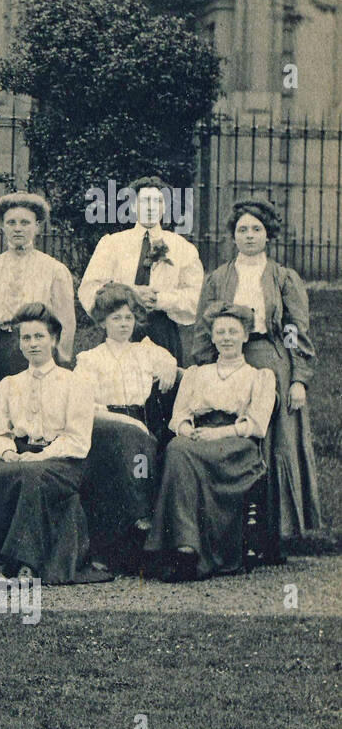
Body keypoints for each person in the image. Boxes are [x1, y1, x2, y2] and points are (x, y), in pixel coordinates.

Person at [192, 199, 323, 554]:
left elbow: (295, 330)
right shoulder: (218, 278)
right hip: (229, 358)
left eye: (256, 230)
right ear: (233, 236)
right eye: (242, 230)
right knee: (233, 435)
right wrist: (203, 368)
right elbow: (206, 329)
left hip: (271, 359)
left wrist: (298, 378)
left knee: (272, 442)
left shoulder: (283, 278)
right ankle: (229, 531)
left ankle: (271, 534)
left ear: (268, 235)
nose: (249, 236)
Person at [0, 303, 104, 584]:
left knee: (33, 476)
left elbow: (78, 439)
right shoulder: (8, 384)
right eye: (26, 338)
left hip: (64, 461)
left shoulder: (75, 383)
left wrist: (41, 456)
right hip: (20, 457)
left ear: (54, 340)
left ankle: (25, 563)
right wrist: (8, 452)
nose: (32, 344)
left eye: (39, 337)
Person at [144, 303, 276, 579]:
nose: (226, 337)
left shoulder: (259, 377)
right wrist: (186, 428)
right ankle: (184, 549)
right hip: (198, 437)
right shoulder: (196, 374)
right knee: (177, 447)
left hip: (236, 445)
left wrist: (219, 433)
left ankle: (194, 550)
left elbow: (257, 425)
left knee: (186, 454)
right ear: (212, 337)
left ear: (245, 336)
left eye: (233, 331)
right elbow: (178, 415)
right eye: (220, 332)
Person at [74, 283, 178, 567]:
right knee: (133, 445)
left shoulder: (145, 351)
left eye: (128, 318)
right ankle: (137, 520)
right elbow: (86, 407)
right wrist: (127, 424)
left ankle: (140, 533)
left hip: (143, 425)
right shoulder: (90, 359)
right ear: (103, 321)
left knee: (140, 449)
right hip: (106, 426)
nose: (123, 324)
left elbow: (170, 362)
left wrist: (169, 367)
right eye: (116, 318)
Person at [0, 192, 76, 414]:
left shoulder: (54, 269)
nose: (18, 228)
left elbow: (65, 322)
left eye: (25, 222)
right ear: (2, 227)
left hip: (35, 346)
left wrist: (59, 359)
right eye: (11, 222)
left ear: (37, 227)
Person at [78, 176, 203, 365]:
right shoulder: (112, 244)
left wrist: (160, 300)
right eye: (145, 201)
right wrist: (130, 294)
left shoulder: (182, 248)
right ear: (133, 206)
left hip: (161, 330)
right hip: (119, 326)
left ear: (165, 207)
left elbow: (196, 298)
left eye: (158, 201)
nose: (151, 207)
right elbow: (89, 288)